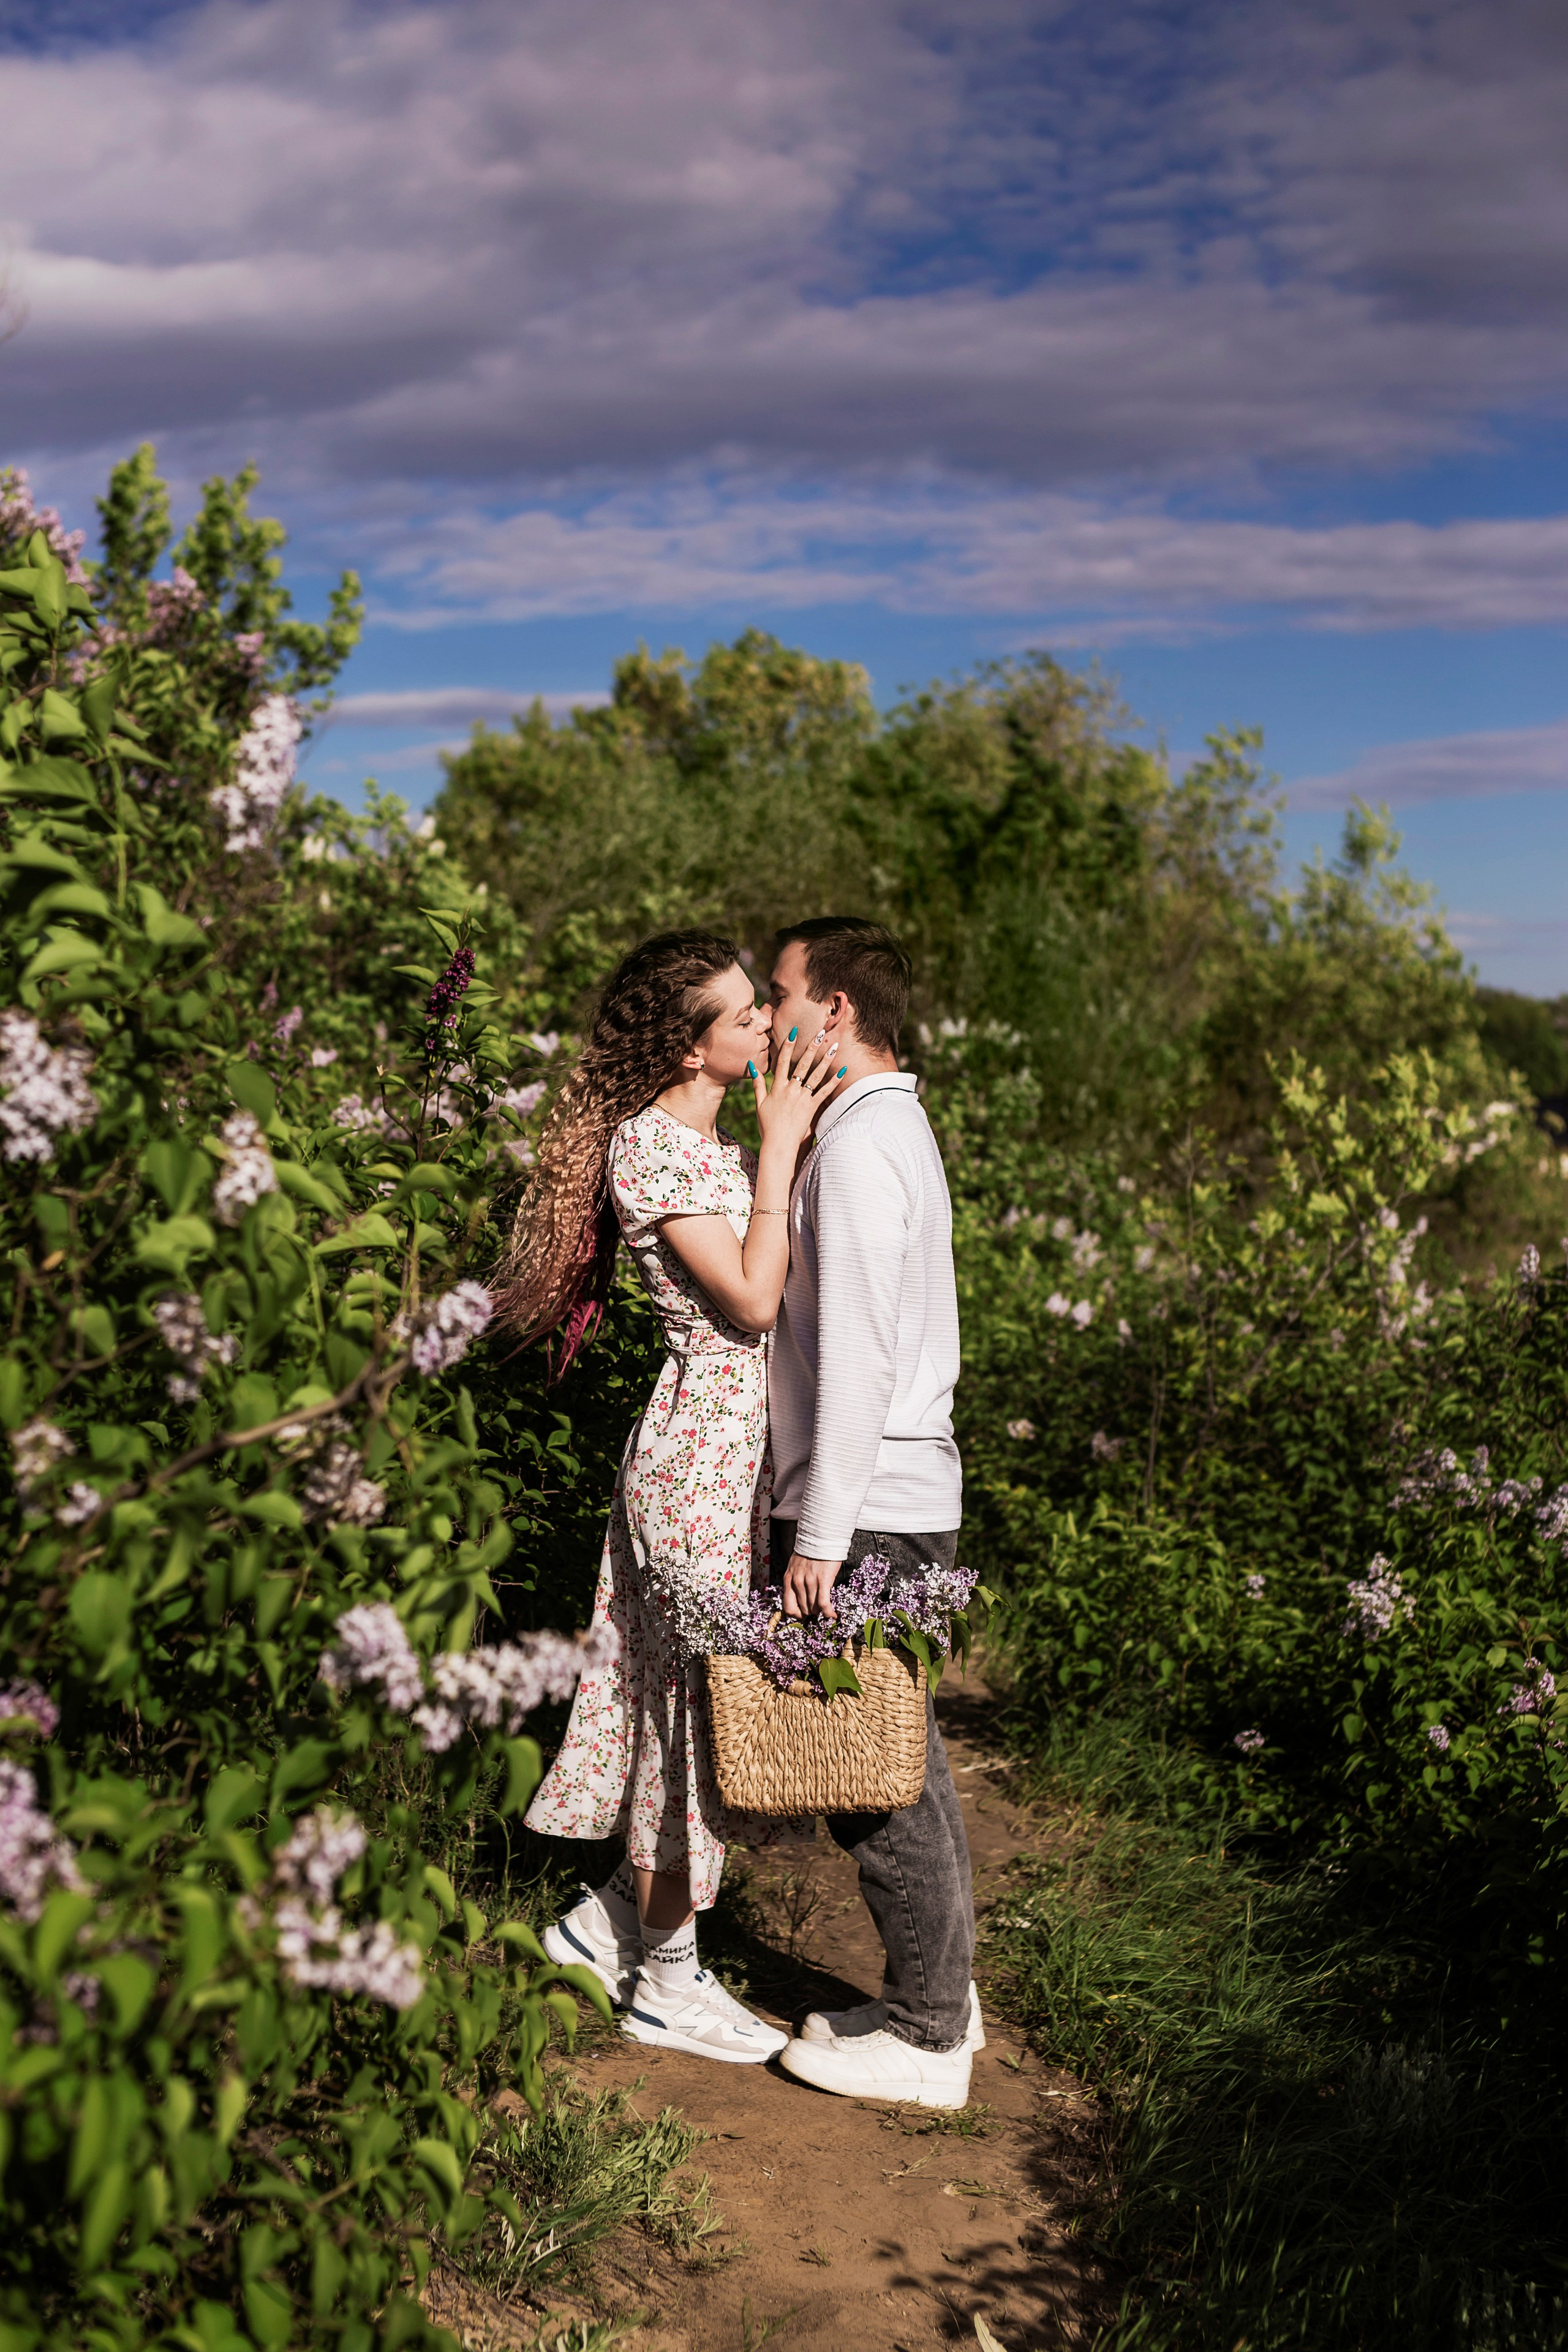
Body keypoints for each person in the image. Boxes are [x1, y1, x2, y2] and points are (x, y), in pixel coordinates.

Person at [494, 929, 839, 2064]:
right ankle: (668, 1979)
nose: (764, 1030)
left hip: (722, 1453)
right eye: (744, 1018)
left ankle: (605, 1926)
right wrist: (784, 1145)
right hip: (695, 1459)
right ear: (691, 1050)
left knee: (673, 1697)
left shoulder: (703, 1139)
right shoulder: (655, 1148)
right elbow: (747, 1301)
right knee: (688, 1710)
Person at [763, 916, 981, 2110]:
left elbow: (855, 1354)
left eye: (780, 991)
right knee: (908, 1758)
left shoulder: (854, 1145)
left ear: (833, 1010)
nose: (768, 1013)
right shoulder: (885, 1121)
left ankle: (924, 2031)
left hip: (874, 1500)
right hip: (898, 1491)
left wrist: (819, 1533)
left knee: (871, 1777)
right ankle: (939, 1995)